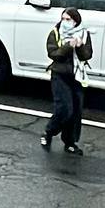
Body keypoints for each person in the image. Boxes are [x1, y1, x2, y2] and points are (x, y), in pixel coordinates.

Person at [40, 8, 92, 153]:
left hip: (76, 76)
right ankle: (49, 132)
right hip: (60, 74)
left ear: (76, 21)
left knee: (75, 111)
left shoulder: (84, 34)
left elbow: (87, 55)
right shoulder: (55, 33)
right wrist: (68, 46)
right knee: (64, 109)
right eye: (63, 19)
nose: (65, 22)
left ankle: (70, 142)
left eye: (68, 19)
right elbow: (53, 54)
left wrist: (80, 46)